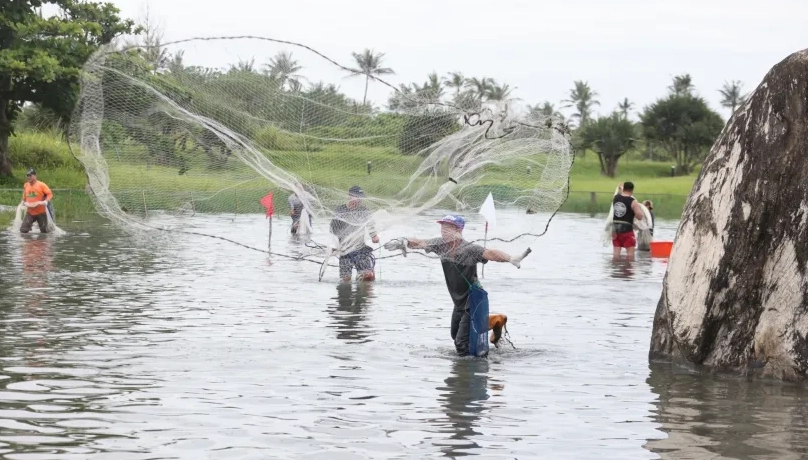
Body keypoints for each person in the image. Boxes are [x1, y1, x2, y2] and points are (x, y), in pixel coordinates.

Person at [385, 214, 528, 357]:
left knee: (461, 344)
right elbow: (420, 242)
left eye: (448, 227)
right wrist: (404, 241)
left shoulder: (469, 249)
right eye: (442, 227)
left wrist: (510, 258)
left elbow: (490, 253)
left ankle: (465, 374)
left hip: (473, 299)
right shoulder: (440, 245)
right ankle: (495, 320)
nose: (443, 230)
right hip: (458, 301)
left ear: (458, 230)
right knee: (455, 335)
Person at [329, 186, 380, 282]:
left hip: (360, 249)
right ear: (350, 196)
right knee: (345, 280)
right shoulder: (340, 210)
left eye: (361, 198)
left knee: (368, 277)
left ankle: (364, 294)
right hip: (344, 250)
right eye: (357, 197)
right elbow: (333, 229)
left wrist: (374, 236)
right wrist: (334, 246)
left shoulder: (364, 210)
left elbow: (370, 225)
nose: (359, 200)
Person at [612, 181, 645, 259]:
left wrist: (620, 189)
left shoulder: (616, 198)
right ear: (632, 190)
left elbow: (621, 195)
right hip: (626, 229)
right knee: (630, 255)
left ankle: (615, 269)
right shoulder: (633, 201)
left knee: (616, 254)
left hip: (615, 229)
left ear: (624, 189)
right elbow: (639, 216)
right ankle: (628, 269)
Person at [19, 169, 53, 234]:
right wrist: (23, 201)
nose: (28, 177)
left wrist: (46, 201)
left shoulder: (41, 185)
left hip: (41, 212)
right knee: (23, 230)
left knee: (44, 232)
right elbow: (25, 195)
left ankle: (42, 243)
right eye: (27, 176)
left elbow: (50, 194)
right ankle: (29, 243)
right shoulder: (26, 185)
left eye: (30, 175)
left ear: (35, 176)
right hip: (30, 212)